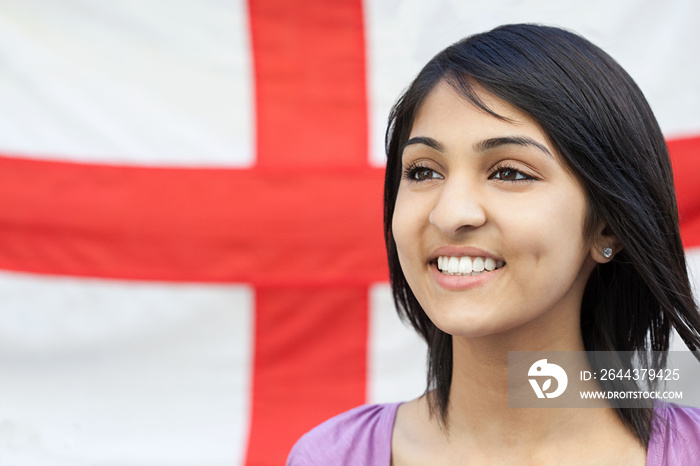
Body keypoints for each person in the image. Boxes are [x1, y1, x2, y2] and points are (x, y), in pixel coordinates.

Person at [287, 23, 700, 465]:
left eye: (509, 172)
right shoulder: (330, 456)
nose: (450, 213)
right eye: (424, 171)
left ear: (607, 229)